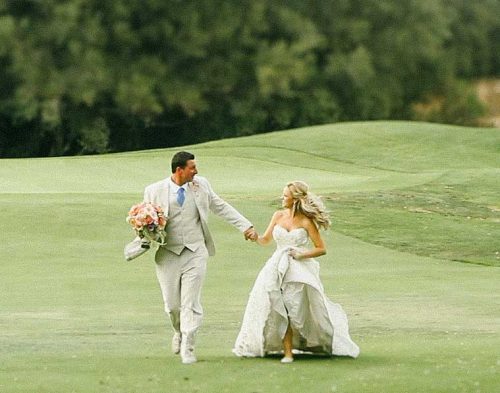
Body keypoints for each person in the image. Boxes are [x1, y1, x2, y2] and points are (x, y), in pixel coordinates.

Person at [143, 151, 257, 364]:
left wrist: (245, 225)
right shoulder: (154, 190)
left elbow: (220, 206)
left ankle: (189, 345)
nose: (196, 171)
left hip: (195, 252)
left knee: (190, 303)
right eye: (192, 167)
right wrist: (142, 238)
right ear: (180, 170)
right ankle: (178, 331)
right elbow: (147, 223)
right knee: (172, 306)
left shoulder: (201, 185)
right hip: (168, 253)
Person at [233, 181, 359, 363]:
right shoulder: (277, 215)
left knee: (294, 308)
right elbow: (265, 240)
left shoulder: (306, 221)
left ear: (295, 199)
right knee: (279, 306)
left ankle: (305, 344)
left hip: (298, 269)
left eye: (285, 196)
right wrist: (254, 237)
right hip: (276, 267)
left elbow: (321, 248)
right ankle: (287, 353)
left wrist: (301, 254)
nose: (282, 198)